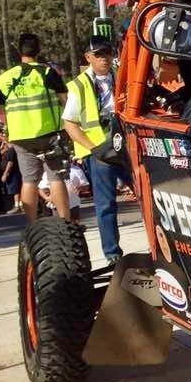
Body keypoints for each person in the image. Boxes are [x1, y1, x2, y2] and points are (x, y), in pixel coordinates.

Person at [0, 32, 70, 223]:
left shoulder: (5, 78)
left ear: (19, 51)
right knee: (56, 177)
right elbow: (65, 102)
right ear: (39, 50)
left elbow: (2, 111)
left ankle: (32, 226)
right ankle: (65, 222)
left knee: (29, 180)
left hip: (21, 137)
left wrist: (9, 130)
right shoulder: (48, 73)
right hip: (50, 133)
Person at [63, 36, 123, 264]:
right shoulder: (79, 85)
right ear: (88, 57)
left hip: (124, 145)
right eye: (98, 55)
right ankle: (112, 253)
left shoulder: (121, 75)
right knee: (106, 204)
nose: (104, 58)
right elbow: (70, 123)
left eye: (107, 53)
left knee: (146, 195)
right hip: (99, 152)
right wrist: (93, 148)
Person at [0, 137, 21, 213]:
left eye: (4, 143)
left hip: (12, 173)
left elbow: (10, 163)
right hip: (12, 173)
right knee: (15, 190)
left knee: (15, 190)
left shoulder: (11, 150)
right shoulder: (9, 150)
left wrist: (5, 173)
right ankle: (20, 205)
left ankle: (17, 207)